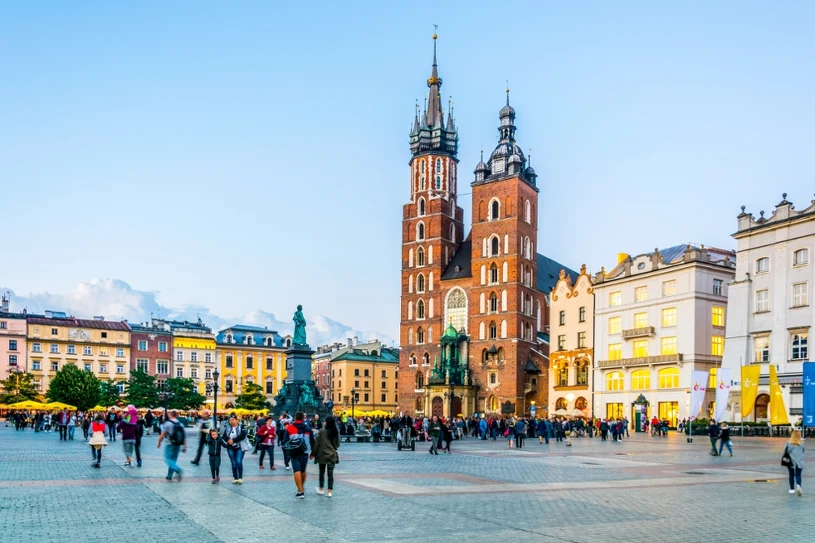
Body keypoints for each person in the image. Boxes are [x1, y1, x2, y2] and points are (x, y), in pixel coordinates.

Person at [284, 411, 315, 499]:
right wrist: (313, 452)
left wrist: (287, 449)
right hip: (305, 451)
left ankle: (300, 491)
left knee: (296, 470)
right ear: (303, 418)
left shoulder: (289, 428)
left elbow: (285, 441)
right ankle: (301, 487)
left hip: (294, 451)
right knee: (302, 470)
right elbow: (312, 441)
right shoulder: (307, 427)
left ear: (295, 418)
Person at [311, 416, 340, 498]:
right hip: (331, 455)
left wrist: (313, 454)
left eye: (325, 421)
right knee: (330, 474)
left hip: (322, 455)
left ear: (327, 422)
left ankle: (321, 489)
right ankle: (330, 491)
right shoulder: (335, 431)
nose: (324, 422)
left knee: (321, 472)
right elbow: (338, 444)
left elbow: (317, 444)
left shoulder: (322, 431)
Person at [157, 409, 186, 481]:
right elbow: (184, 436)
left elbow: (162, 435)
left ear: (170, 415)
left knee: (167, 459)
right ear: (176, 415)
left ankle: (178, 469)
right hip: (178, 444)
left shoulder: (167, 423)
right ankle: (169, 475)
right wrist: (184, 446)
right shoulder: (180, 424)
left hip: (170, 444)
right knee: (173, 460)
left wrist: (159, 443)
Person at [221, 415, 248, 484]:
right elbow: (224, 436)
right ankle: (235, 477)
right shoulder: (228, 428)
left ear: (236, 420)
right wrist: (228, 440)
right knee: (233, 463)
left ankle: (240, 477)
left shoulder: (241, 426)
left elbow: (242, 435)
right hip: (230, 447)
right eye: (230, 420)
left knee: (239, 461)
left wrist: (233, 440)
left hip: (240, 447)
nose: (231, 421)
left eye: (233, 420)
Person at [784, 429, 805, 496]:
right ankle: (798, 486)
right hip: (799, 461)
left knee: (791, 475)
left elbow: (786, 451)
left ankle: (792, 489)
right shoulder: (802, 443)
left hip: (791, 461)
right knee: (798, 475)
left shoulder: (788, 443)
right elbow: (803, 451)